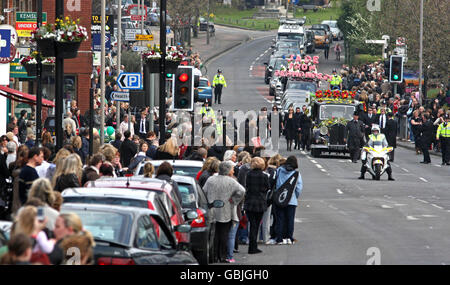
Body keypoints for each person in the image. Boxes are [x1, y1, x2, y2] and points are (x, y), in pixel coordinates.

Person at [203, 161, 245, 263]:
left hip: (212, 209)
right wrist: (234, 200)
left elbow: (204, 191)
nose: (233, 170)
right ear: (227, 170)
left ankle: (214, 256)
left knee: (214, 234)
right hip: (226, 210)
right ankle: (223, 256)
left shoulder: (211, 179)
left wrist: (208, 201)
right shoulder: (231, 181)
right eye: (231, 168)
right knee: (224, 234)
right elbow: (242, 191)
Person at [273, 156, 302, 245]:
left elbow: (274, 182)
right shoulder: (296, 174)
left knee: (280, 219)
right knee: (290, 220)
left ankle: (279, 238)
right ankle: (289, 237)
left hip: (279, 199)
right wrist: (294, 197)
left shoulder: (279, 171)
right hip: (291, 200)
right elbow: (298, 188)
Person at [244, 157, 270, 254]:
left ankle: (252, 245)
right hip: (260, 202)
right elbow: (267, 187)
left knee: (252, 224)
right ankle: (253, 247)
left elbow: (247, 186)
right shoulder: (264, 176)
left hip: (250, 201)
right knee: (257, 224)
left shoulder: (249, 174)